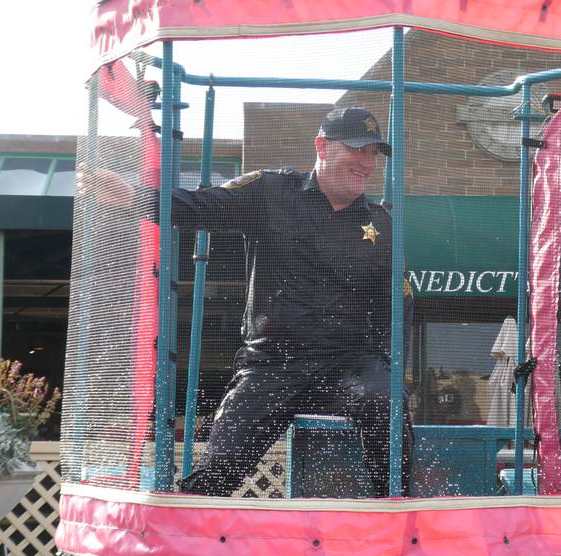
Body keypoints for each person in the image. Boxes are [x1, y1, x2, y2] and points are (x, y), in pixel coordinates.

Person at [162, 106, 415, 497]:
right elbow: (200, 205)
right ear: (323, 147)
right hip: (272, 363)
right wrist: (132, 197)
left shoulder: (382, 224)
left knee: (385, 398)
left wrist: (390, 369)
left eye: (374, 154)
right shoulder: (270, 190)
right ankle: (185, 537)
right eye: (358, 149)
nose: (368, 163)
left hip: (347, 364)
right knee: (220, 467)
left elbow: (398, 307)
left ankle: (395, 509)